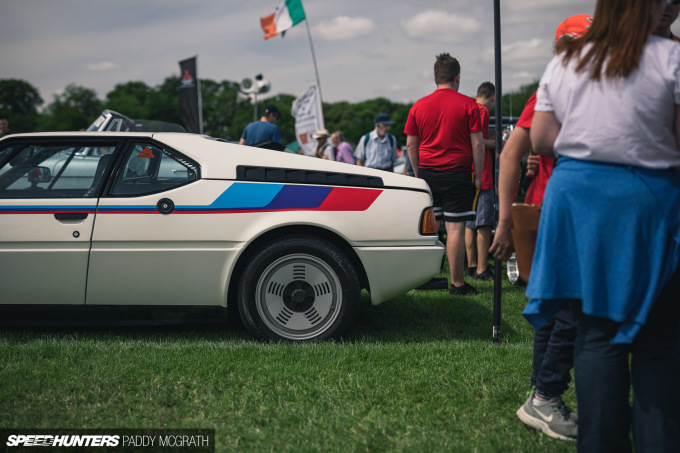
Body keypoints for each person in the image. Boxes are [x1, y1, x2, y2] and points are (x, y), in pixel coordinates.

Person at [526, 0, 680, 450]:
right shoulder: (671, 58)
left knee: (596, 331)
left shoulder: (568, 60)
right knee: (659, 339)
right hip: (646, 206)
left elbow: (541, 139)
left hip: (580, 207)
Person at [489, 15, 592, 442]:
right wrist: (504, 219)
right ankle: (546, 394)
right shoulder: (553, 88)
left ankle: (542, 391)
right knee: (569, 307)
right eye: (574, 44)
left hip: (564, 209)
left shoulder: (586, 86)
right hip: (558, 212)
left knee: (555, 307)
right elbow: (511, 154)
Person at [404, 53, 485, 295]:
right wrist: (479, 176)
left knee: (429, 227)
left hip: (427, 172)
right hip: (457, 174)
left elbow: (410, 144)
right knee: (456, 229)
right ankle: (457, 284)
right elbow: (478, 145)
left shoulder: (418, 105)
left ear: (434, 78)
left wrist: (418, 173)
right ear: (457, 77)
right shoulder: (470, 105)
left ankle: (424, 277)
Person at [465, 82, 496, 281]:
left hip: (468, 172)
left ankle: (471, 265)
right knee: (483, 224)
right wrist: (498, 142)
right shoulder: (482, 110)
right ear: (493, 98)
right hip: (482, 174)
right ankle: (482, 269)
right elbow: (477, 141)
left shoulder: (468, 107)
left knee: (469, 223)